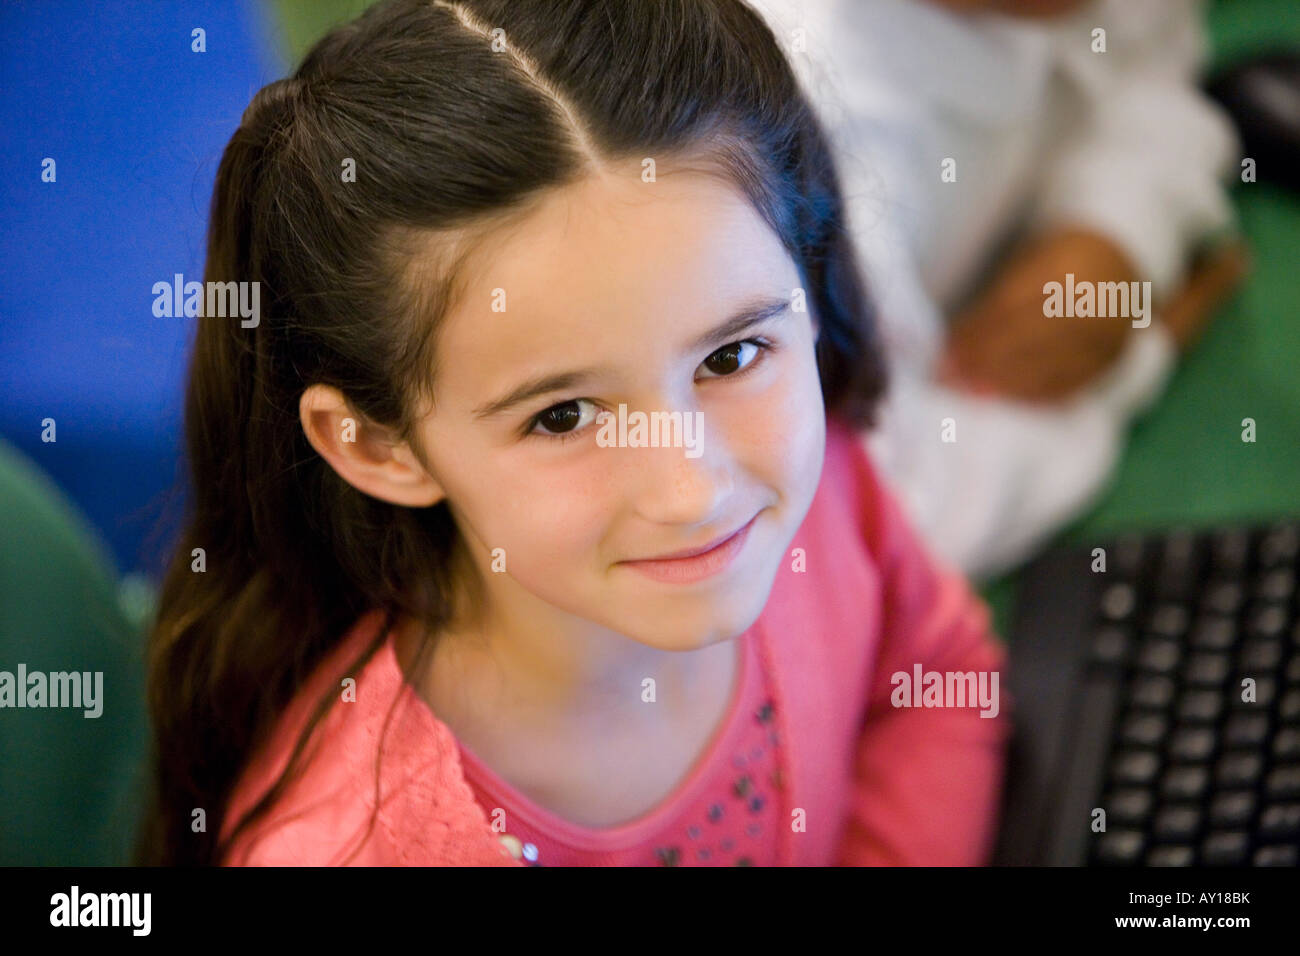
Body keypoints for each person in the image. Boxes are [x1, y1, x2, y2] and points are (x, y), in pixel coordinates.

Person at [135, 0, 1010, 867]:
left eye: (734, 355)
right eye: (563, 416)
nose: (695, 489)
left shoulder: (820, 498)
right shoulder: (355, 848)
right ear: (377, 444)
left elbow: (934, 672)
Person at [754, 0, 1248, 579]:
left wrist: (1119, 227)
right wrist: (1133, 359)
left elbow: (1156, 71)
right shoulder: (792, 144)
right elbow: (891, 518)